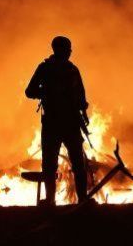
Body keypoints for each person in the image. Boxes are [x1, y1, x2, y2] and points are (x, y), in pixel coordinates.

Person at [25, 36, 90, 206]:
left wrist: (83, 111)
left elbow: (81, 96)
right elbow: (29, 91)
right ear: (58, 49)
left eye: (69, 48)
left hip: (71, 123)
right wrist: (46, 92)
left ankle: (82, 199)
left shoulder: (72, 70)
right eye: (67, 48)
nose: (70, 51)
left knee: (78, 163)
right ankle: (50, 200)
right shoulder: (45, 68)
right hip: (53, 123)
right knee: (49, 164)